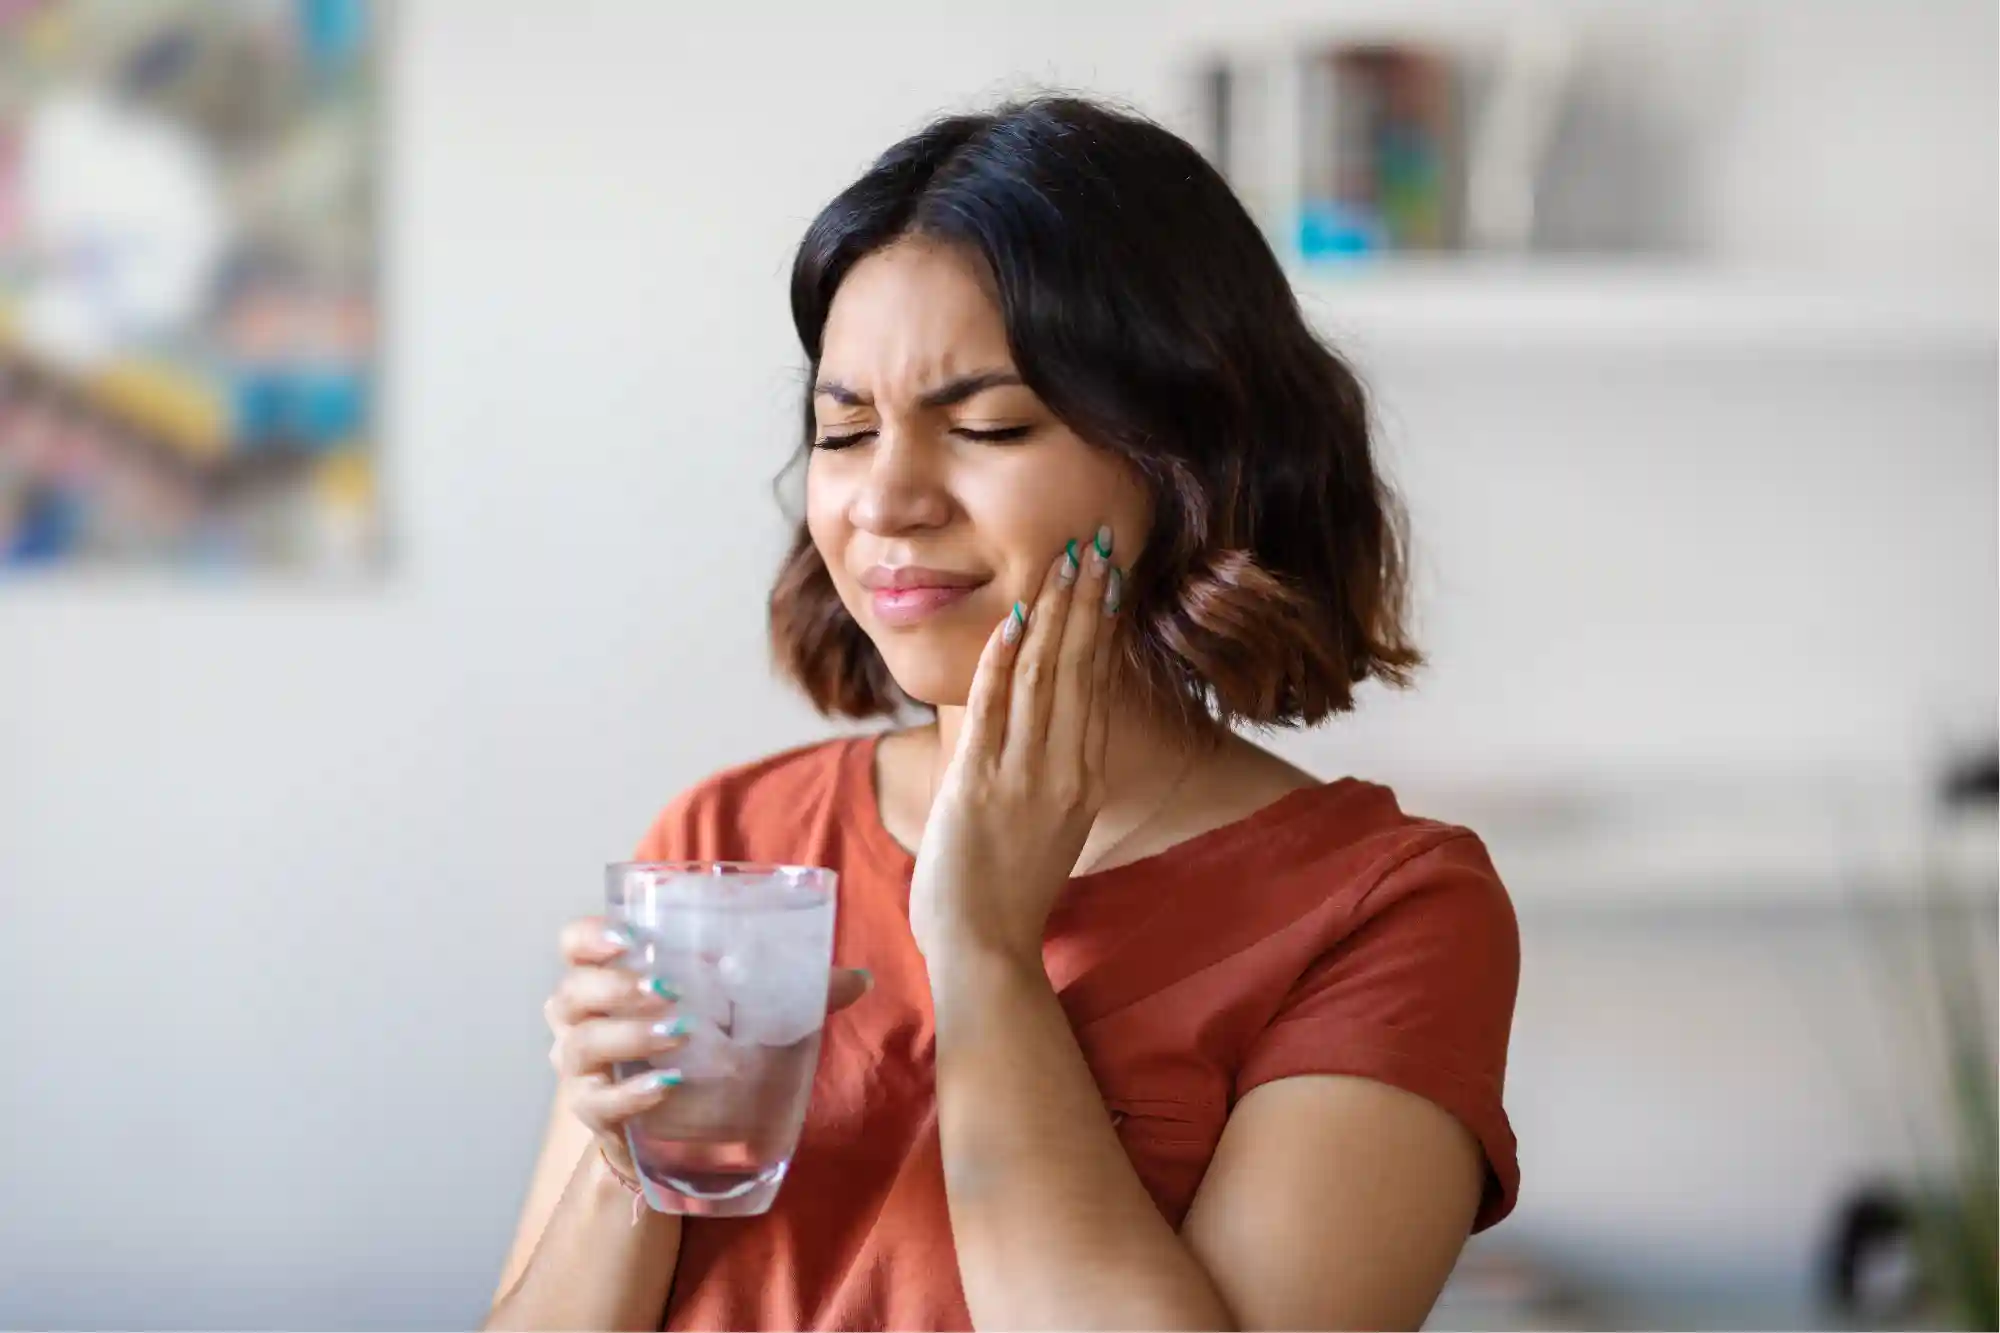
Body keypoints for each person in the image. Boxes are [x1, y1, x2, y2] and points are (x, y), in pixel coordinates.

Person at [486, 96, 1520, 1332]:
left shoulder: (1384, 911)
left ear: (1184, 460)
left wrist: (981, 951)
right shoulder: (727, 838)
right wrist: (631, 1168)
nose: (886, 500)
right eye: (844, 430)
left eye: (986, 425)